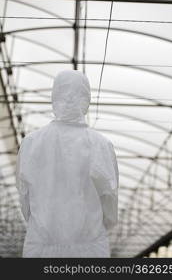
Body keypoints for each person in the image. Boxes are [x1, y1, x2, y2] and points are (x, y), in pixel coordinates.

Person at [16, 70, 119, 258]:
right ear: (86, 98)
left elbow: (25, 201)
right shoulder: (100, 145)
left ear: (54, 97)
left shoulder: (31, 143)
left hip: (40, 248)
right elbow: (109, 204)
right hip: (90, 250)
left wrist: (43, 225)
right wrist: (93, 228)